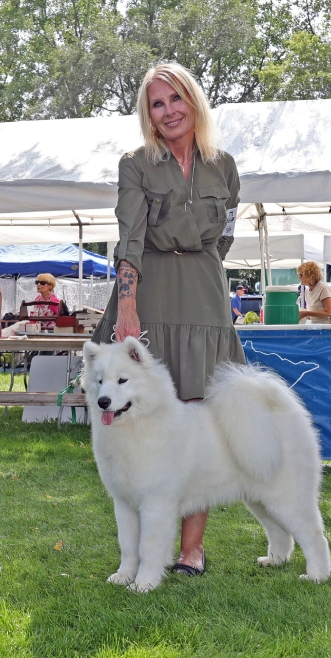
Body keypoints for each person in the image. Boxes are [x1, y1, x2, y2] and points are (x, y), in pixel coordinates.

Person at [92, 62, 244, 576]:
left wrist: (205, 275)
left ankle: (191, 550)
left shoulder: (223, 164)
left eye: (176, 98)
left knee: (200, 417)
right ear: (148, 115)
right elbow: (129, 236)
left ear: (193, 101)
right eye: (157, 104)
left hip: (204, 294)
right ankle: (138, 548)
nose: (169, 110)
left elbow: (224, 237)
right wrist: (128, 304)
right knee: (145, 416)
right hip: (149, 291)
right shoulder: (135, 164)